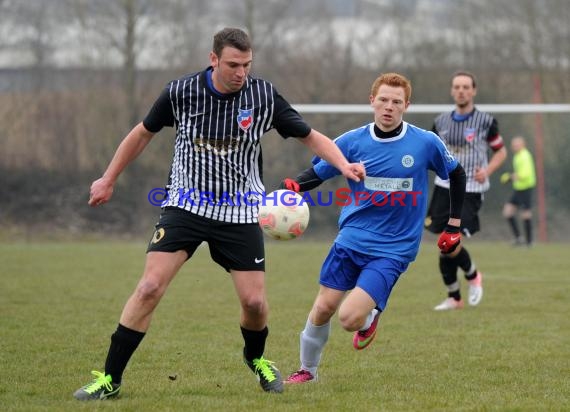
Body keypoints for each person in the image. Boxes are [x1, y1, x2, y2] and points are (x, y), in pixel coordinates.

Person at [73, 27, 365, 400]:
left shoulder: (263, 96)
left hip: (241, 211)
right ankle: (110, 379)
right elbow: (142, 133)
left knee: (255, 304)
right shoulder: (181, 93)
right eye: (232, 64)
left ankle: (256, 358)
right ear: (213, 59)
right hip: (186, 205)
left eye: (246, 64)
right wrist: (108, 178)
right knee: (148, 288)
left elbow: (311, 136)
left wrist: (342, 164)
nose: (240, 72)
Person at [279, 72, 466, 384]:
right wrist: (293, 186)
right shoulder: (352, 141)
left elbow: (456, 175)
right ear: (372, 101)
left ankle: (371, 314)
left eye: (396, 101)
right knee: (323, 307)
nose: (388, 107)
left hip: (394, 248)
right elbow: (319, 171)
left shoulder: (424, 143)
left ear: (407, 105)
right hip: (351, 239)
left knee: (349, 319)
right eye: (383, 100)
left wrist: (453, 226)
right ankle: (306, 372)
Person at [425, 70, 507, 311]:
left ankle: (472, 276)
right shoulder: (440, 122)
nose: (461, 90)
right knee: (444, 244)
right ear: (452, 90)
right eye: (457, 86)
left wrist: (487, 171)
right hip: (444, 187)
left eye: (466, 87)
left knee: (451, 242)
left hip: (471, 188)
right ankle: (454, 297)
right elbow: (432, 153)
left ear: (473, 91)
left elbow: (501, 152)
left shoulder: (486, 122)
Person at [501, 136, 536, 246]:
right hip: (519, 189)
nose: (514, 147)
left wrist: (510, 177)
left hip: (526, 188)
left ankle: (529, 242)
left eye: (516, 145)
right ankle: (518, 238)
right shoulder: (517, 156)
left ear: (523, 145)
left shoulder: (525, 156)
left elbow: (525, 174)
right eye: (513, 145)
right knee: (507, 212)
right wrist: (511, 178)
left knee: (526, 214)